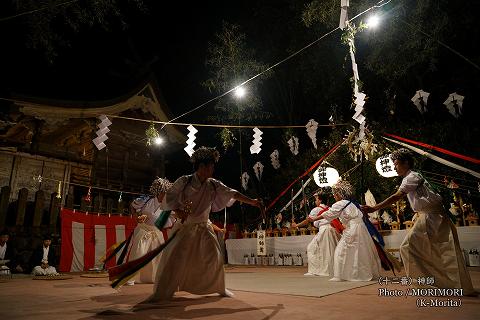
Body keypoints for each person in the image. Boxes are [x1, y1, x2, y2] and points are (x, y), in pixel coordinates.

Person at [149, 146, 264, 301]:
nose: (213, 169)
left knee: (215, 257)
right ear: (202, 167)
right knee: (174, 259)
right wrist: (179, 210)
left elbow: (232, 193)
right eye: (211, 166)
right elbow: (168, 198)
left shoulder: (213, 184)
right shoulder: (184, 181)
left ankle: (220, 288)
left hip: (204, 226)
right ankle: (162, 292)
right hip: (185, 227)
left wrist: (252, 202)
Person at [362, 148, 474, 294]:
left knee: (428, 250)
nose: (394, 167)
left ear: (406, 163)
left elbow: (397, 196)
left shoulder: (412, 177)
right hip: (428, 217)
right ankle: (435, 283)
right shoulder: (413, 176)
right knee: (427, 251)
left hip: (433, 218)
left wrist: (374, 207)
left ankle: (434, 284)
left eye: (396, 164)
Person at [309, 180, 380, 281]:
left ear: (339, 194)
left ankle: (341, 275)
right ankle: (358, 273)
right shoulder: (353, 203)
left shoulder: (340, 204)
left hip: (352, 229)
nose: (334, 196)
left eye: (335, 194)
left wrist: (314, 219)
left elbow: (329, 213)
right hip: (361, 228)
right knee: (360, 251)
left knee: (341, 251)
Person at [125, 177, 175, 285]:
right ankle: (131, 277)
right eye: (164, 193)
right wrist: (136, 216)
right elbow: (132, 207)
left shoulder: (167, 206)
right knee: (139, 253)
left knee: (156, 257)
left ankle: (152, 277)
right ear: (159, 192)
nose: (166, 196)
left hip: (156, 233)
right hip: (143, 230)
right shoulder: (146, 200)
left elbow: (171, 220)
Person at [292, 192, 343, 276]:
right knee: (331, 251)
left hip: (324, 230)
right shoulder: (330, 208)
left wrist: (296, 225)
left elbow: (308, 220)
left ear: (320, 200)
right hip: (333, 230)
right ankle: (334, 270)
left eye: (316, 199)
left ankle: (316, 270)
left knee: (312, 248)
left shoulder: (316, 209)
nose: (315, 201)